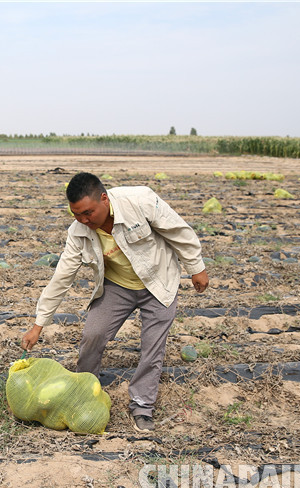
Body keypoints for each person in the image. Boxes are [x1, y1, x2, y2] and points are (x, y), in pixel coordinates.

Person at [21, 172, 209, 432]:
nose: (84, 220)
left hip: (159, 281)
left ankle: (142, 406)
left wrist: (196, 267)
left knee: (152, 347)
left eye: (88, 213)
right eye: (76, 214)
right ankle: (84, 392)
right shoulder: (79, 232)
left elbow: (178, 230)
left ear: (104, 199)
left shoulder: (139, 200)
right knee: (92, 334)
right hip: (118, 285)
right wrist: (38, 324)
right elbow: (62, 277)